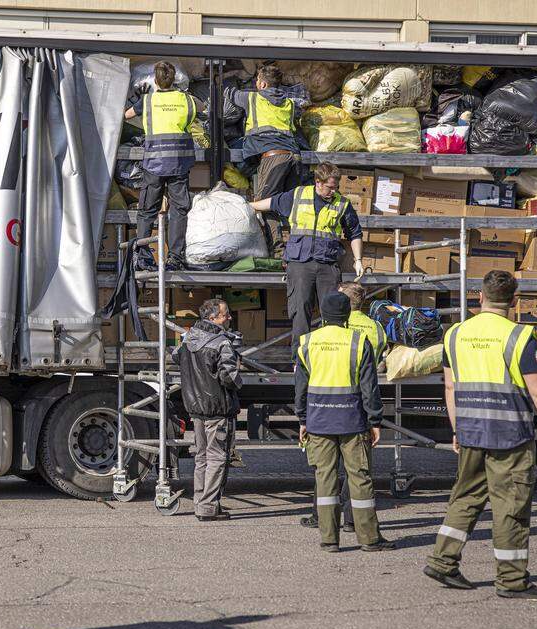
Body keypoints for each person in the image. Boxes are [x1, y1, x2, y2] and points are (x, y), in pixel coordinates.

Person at [424, 271, 537, 599]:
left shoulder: (455, 334)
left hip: (471, 430)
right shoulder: (518, 336)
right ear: (514, 301)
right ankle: (512, 580)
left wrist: (457, 429)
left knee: (466, 498)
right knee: (511, 505)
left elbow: (450, 386)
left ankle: (443, 561)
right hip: (510, 435)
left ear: (479, 297)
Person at [294, 292, 393, 553]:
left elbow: (300, 388)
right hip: (352, 422)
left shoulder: (307, 342)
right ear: (347, 315)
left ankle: (329, 539)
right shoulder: (359, 342)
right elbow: (369, 388)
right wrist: (375, 421)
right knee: (360, 479)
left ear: (323, 316)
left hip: (318, 422)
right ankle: (369, 539)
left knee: (324, 479)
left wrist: (302, 419)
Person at [249, 162, 364, 350]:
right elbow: (270, 203)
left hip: (328, 265)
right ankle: (300, 360)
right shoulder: (298, 195)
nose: (333, 191)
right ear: (318, 182)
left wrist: (358, 260)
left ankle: (330, 355)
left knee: (333, 312)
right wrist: (247, 206)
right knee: (300, 311)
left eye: (336, 187)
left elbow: (355, 233)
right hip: (300, 264)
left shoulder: (342, 203)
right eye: (330, 187)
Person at [124, 61, 202, 271]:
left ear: (156, 80)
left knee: (148, 210)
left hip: (155, 164)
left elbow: (127, 115)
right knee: (178, 211)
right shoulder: (187, 100)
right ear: (174, 79)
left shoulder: (148, 101)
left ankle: (143, 256)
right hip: (179, 165)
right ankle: (175, 258)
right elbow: (201, 108)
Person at [175, 298, 245, 521]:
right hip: (218, 407)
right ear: (213, 318)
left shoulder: (188, 338)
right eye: (226, 315)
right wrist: (239, 381)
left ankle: (201, 502)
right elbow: (229, 376)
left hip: (195, 408)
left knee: (202, 457)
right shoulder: (222, 342)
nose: (229, 318)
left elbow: (176, 357)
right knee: (217, 457)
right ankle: (207, 506)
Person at [231, 64, 304, 255]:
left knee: (266, 204)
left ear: (262, 84)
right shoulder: (289, 103)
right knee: (293, 206)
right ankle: (298, 248)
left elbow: (230, 94)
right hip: (295, 157)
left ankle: (278, 251)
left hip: (274, 158)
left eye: (257, 81)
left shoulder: (252, 97)